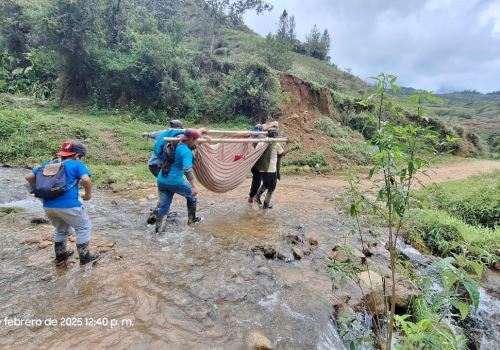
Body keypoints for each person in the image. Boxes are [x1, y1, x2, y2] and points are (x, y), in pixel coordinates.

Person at [25, 141, 99, 266]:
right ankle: (85, 258)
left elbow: (28, 177)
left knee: (60, 229)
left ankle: (60, 256)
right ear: (76, 155)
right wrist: (88, 195)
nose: (80, 158)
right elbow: (86, 179)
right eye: (80, 156)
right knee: (83, 227)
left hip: (48, 206)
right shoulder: (77, 164)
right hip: (70, 205)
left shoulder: (49, 164)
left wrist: (39, 190)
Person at [155, 129, 204, 233]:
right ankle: (192, 220)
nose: (196, 142)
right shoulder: (186, 152)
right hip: (175, 181)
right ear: (191, 139)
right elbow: (187, 169)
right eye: (196, 140)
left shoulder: (173, 143)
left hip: (161, 180)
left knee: (163, 208)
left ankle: (158, 231)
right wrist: (193, 186)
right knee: (192, 195)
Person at [253, 128, 287, 209]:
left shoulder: (261, 143)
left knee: (266, 184)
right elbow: (282, 154)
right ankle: (266, 204)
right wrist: (288, 150)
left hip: (262, 169)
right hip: (271, 170)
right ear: (275, 135)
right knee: (271, 188)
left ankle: (257, 196)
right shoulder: (276, 144)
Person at [248, 123, 265, 203]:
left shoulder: (252, 135)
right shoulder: (261, 136)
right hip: (258, 162)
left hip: (251, 161)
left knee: (256, 179)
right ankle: (253, 196)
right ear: (261, 130)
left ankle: (252, 196)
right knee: (257, 180)